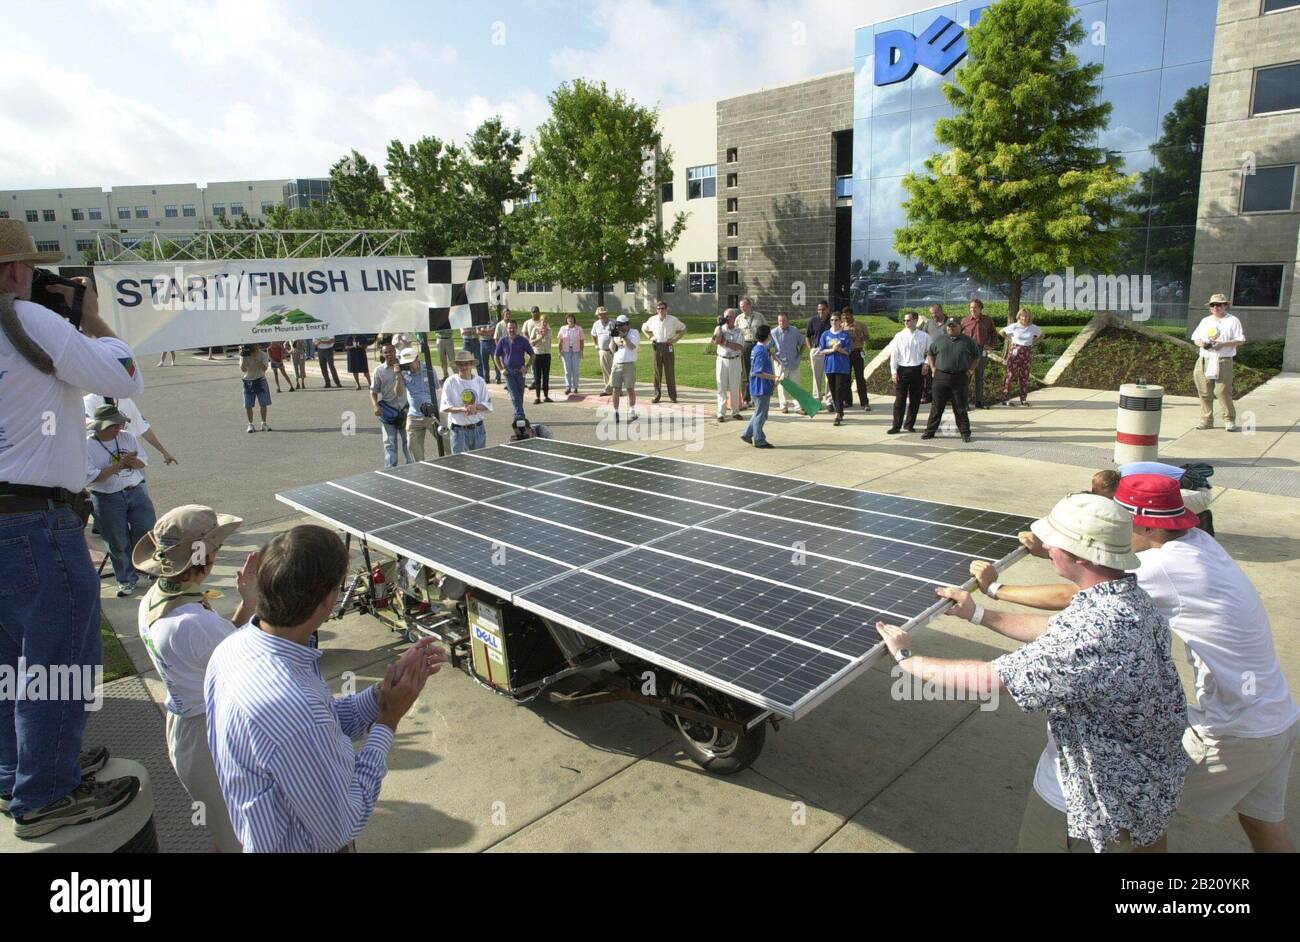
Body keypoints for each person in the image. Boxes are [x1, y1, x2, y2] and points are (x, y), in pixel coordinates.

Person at [971, 476, 1298, 853]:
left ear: (1146, 524)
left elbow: (1076, 593)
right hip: (1277, 718)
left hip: (1233, 732)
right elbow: (1106, 563)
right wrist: (1056, 549)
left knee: (1134, 801)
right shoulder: (1198, 542)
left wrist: (995, 589)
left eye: (1123, 520)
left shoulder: (1162, 567)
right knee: (1263, 825)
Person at [876, 493, 1189, 853]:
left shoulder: (1098, 632)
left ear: (1076, 555)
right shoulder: (1125, 598)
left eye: (1056, 541)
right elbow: (1055, 630)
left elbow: (990, 680)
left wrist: (908, 659)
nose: (1049, 547)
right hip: (1146, 785)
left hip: (1094, 801)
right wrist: (978, 615)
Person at [0, 220, 145, 838]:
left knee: (10, 657)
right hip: (33, 519)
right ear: (12, 271)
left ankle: (20, 769)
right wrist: (89, 319)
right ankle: (47, 793)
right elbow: (125, 379)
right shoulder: (31, 322)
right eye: (31, 269)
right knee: (60, 654)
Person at [204, 525, 447, 852]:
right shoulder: (293, 707)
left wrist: (380, 696)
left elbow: (324, 722)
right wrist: (388, 721)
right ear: (329, 599)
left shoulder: (231, 649)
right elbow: (343, 824)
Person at [135, 505, 250, 852]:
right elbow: (250, 657)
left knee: (224, 830)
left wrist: (248, 603)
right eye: (215, 547)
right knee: (243, 839)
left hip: (186, 729)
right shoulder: (192, 622)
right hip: (211, 739)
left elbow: (215, 643)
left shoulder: (157, 600)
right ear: (205, 558)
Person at [85, 403, 157, 596]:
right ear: (103, 427)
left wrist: (133, 462)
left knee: (146, 532)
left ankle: (149, 569)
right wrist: (119, 465)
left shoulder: (128, 437)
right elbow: (92, 477)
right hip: (106, 497)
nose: (120, 428)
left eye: (120, 424)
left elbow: (143, 461)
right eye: (115, 425)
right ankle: (126, 579)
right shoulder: (87, 446)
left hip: (136, 490)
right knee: (116, 540)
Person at [1191, 293, 1245, 431]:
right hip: (1205, 359)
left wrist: (1224, 344)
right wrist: (1202, 344)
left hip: (1223, 360)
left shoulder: (1233, 321)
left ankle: (1229, 419)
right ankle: (1206, 420)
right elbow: (1196, 338)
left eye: (1219, 305)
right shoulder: (1205, 321)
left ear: (1225, 305)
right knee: (1204, 391)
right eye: (1212, 305)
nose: (1216, 307)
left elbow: (1241, 340)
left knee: (1222, 391)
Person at [922, 319, 979, 442]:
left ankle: (965, 433)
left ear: (960, 327)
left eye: (953, 327)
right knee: (937, 406)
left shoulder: (968, 341)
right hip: (941, 376)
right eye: (949, 327)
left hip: (960, 377)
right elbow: (931, 353)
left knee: (960, 407)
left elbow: (976, 356)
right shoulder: (940, 340)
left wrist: (970, 370)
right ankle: (930, 431)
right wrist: (932, 368)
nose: (950, 329)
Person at [83, 393, 179, 467]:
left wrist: (164, 451)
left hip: (132, 462)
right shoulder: (88, 401)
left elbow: (143, 428)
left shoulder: (125, 400)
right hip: (106, 463)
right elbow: (90, 429)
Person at [440, 350, 494, 453]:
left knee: (479, 462)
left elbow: (487, 405)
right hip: (458, 431)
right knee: (460, 463)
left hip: (478, 429)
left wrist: (476, 408)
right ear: (456, 365)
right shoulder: (450, 382)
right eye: (460, 364)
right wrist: (462, 409)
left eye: (466, 364)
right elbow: (445, 406)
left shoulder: (480, 381)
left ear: (471, 365)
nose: (463, 367)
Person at [886, 310, 929, 434]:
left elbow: (930, 352)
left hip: (918, 370)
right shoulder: (899, 336)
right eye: (904, 320)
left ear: (915, 320)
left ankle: (909, 424)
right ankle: (896, 425)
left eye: (908, 320)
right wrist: (893, 371)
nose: (906, 322)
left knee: (915, 400)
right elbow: (894, 355)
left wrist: (926, 363)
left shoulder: (924, 336)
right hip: (902, 370)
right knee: (900, 400)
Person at [370, 343, 411, 468]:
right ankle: (390, 469)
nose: (389, 354)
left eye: (390, 351)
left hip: (405, 409)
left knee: (408, 441)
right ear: (382, 354)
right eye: (385, 352)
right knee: (390, 442)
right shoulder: (379, 371)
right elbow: (373, 391)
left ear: (395, 352)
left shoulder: (405, 367)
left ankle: (412, 465)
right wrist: (375, 405)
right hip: (388, 411)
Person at [398, 346, 439, 462]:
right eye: (405, 364)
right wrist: (398, 377)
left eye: (410, 363)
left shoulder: (429, 369)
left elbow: (437, 388)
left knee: (445, 442)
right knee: (413, 446)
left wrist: (437, 410)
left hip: (431, 414)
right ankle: (421, 468)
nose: (408, 366)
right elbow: (399, 394)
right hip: (414, 415)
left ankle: (453, 465)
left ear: (417, 359)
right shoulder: (403, 373)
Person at [741, 324, 779, 449]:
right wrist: (775, 378)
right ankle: (759, 439)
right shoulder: (761, 351)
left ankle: (747, 434)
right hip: (760, 388)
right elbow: (758, 372)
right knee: (761, 414)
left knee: (759, 413)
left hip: (760, 387)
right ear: (768, 336)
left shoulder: (758, 348)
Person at [642, 300, 686, 404]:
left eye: (663, 308)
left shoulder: (673, 320)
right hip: (657, 347)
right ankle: (656, 396)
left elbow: (684, 328)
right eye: (658, 308)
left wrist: (675, 339)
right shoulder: (652, 320)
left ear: (666, 309)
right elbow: (643, 328)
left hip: (668, 346)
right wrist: (650, 337)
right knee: (657, 372)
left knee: (670, 372)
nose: (661, 310)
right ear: (656, 310)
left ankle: (673, 396)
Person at [999, 308, 1043, 407]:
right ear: (1019, 316)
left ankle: (1023, 399)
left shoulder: (1033, 327)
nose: (1024, 318)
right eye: (1022, 315)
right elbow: (1001, 332)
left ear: (1029, 317)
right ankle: (1006, 399)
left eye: (1026, 316)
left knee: (1024, 377)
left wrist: (1034, 341)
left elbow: (1042, 335)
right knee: (1010, 376)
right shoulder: (1014, 326)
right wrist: (1010, 339)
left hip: (1027, 354)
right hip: (1014, 354)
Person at [815, 312, 852, 426]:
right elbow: (821, 350)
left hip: (842, 367)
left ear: (840, 321)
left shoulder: (845, 335)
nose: (834, 322)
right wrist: (832, 350)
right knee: (833, 390)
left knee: (839, 390)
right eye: (832, 320)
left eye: (836, 320)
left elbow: (848, 351)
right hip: (830, 367)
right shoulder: (825, 334)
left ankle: (838, 414)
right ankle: (839, 411)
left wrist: (839, 349)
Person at [494, 318, 534, 420]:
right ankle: (521, 415)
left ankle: (517, 414)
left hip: (520, 372)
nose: (511, 330)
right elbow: (496, 356)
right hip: (508, 372)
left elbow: (533, 355)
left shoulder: (523, 340)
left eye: (513, 328)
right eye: (509, 328)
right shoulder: (503, 341)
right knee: (514, 395)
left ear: (516, 328)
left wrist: (527, 367)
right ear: (506, 329)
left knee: (520, 396)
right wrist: (501, 369)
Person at [962, 298, 997, 409]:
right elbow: (957, 334)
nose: (973, 309)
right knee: (967, 377)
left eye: (975, 307)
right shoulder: (965, 320)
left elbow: (993, 334)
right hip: (968, 352)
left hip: (982, 350)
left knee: (979, 377)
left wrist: (990, 345)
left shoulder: (987, 320)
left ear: (980, 308)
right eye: (971, 307)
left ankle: (979, 401)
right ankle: (964, 403)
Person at [770, 312, 808, 415]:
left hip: (794, 362)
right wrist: (774, 357)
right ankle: (783, 406)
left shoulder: (795, 331)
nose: (781, 323)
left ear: (788, 320)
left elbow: (803, 343)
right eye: (780, 321)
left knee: (796, 385)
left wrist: (799, 354)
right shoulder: (774, 332)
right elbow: (768, 347)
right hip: (780, 364)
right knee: (782, 386)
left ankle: (798, 407)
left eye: (784, 320)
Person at [713, 309, 745, 421]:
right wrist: (720, 328)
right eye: (726, 316)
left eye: (730, 317)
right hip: (722, 360)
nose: (728, 319)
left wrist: (725, 343)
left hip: (735, 361)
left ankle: (735, 411)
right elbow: (716, 341)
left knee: (735, 387)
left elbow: (739, 347)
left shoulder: (739, 331)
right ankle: (721, 413)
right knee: (721, 386)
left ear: (734, 318)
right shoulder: (719, 328)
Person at [735, 296, 767, 408]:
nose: (742, 308)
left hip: (757, 345)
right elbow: (735, 334)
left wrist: (766, 345)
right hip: (745, 345)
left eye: (744, 306)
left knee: (758, 371)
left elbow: (766, 329)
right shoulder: (739, 318)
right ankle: (746, 398)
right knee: (745, 372)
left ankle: (757, 396)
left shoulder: (759, 317)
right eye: (741, 307)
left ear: (749, 305)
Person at [608, 313, 640, 423]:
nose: (620, 327)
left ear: (627, 324)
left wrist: (624, 336)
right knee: (616, 389)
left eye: (622, 325)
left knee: (630, 388)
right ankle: (615, 411)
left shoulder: (634, 333)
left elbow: (632, 347)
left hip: (629, 364)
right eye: (618, 325)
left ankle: (632, 410)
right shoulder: (616, 334)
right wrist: (612, 337)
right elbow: (612, 350)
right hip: (617, 364)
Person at [919, 303, 949, 404]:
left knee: (943, 377)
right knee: (928, 376)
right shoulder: (929, 323)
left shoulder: (949, 322)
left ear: (941, 311)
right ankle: (928, 396)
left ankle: (945, 397)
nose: (933, 315)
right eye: (932, 313)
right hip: (931, 355)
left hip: (945, 355)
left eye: (935, 312)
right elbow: (923, 336)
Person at [841, 309, 871, 412]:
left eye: (848, 315)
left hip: (858, 353)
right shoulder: (841, 327)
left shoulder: (860, 325)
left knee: (860, 378)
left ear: (852, 315)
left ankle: (864, 402)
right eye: (844, 316)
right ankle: (847, 401)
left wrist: (859, 336)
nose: (846, 318)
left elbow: (867, 337)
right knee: (846, 378)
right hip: (846, 354)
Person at [240, 344, 272, 433]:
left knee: (263, 403)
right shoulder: (245, 354)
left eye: (255, 346)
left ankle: (264, 423)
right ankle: (250, 424)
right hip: (248, 381)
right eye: (252, 346)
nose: (254, 348)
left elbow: (265, 368)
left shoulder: (263, 355)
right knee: (248, 405)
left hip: (260, 380)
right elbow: (243, 370)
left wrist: (255, 358)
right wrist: (243, 358)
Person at [524, 307, 553, 402]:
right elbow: (531, 342)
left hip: (546, 354)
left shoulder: (549, 330)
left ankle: (546, 396)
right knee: (537, 376)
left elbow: (550, 341)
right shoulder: (535, 330)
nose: (544, 323)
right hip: (537, 354)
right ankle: (537, 397)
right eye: (542, 321)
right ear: (540, 321)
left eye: (546, 321)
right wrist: (539, 338)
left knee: (546, 376)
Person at [806, 300, 831, 404]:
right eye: (819, 309)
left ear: (827, 309)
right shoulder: (813, 320)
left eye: (823, 309)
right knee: (816, 376)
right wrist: (811, 349)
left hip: (829, 351)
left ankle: (829, 400)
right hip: (816, 350)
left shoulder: (832, 320)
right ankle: (817, 399)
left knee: (829, 376)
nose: (821, 311)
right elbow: (807, 336)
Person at [558, 312, 584, 396]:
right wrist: (560, 351)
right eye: (569, 319)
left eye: (572, 318)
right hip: (566, 351)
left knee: (575, 370)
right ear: (566, 320)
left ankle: (576, 387)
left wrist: (581, 351)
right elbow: (560, 341)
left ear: (574, 320)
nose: (570, 320)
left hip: (576, 351)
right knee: (567, 370)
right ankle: (568, 387)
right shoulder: (563, 328)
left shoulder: (579, 329)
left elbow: (582, 341)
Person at [591, 306, 615, 395]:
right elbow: (593, 334)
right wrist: (595, 344)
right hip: (602, 351)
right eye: (600, 315)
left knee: (615, 371)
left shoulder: (613, 322)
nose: (602, 316)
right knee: (606, 371)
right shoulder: (596, 324)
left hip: (613, 351)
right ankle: (609, 389)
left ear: (606, 314)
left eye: (603, 314)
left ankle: (615, 389)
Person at [491, 310, 512, 385]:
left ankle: (513, 381)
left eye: (509, 314)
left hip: (512, 348)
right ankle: (508, 383)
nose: (508, 315)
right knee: (505, 365)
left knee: (512, 365)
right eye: (506, 314)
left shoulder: (512, 324)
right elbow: (496, 338)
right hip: (504, 349)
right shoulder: (499, 325)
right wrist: (499, 349)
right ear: (503, 315)